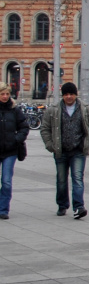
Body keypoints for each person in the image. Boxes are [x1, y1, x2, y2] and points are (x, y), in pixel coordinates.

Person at [40, 82, 89, 219]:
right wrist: (50, 145)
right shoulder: (54, 110)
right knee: (61, 179)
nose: (69, 97)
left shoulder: (85, 109)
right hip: (60, 150)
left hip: (78, 150)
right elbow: (45, 128)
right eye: (66, 94)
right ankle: (62, 204)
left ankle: (78, 207)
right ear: (63, 96)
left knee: (77, 178)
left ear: (75, 95)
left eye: (71, 94)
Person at [0, 83, 31, 220]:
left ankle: (3, 209)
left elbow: (24, 127)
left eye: (7, 93)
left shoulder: (15, 110)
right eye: (2, 94)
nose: (5, 96)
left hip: (10, 151)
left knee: (6, 181)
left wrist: (16, 139)